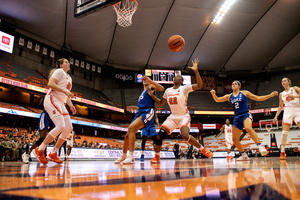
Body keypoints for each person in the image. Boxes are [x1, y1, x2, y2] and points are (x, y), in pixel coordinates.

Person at [148, 58, 213, 164]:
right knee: (159, 136)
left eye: (178, 77)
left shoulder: (184, 88)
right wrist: (151, 96)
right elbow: (160, 103)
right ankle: (157, 157)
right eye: (175, 77)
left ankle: (203, 150)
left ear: (181, 81)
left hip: (184, 116)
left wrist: (196, 71)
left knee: (185, 135)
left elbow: (200, 86)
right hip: (173, 117)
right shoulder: (168, 90)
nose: (175, 78)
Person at [210, 80, 278, 161]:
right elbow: (217, 100)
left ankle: (260, 147)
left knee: (248, 128)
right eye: (232, 84)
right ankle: (244, 155)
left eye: (235, 84)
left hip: (246, 114)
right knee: (235, 139)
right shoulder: (229, 96)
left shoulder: (244, 93)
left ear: (239, 86)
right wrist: (214, 94)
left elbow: (258, 98)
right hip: (237, 117)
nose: (233, 85)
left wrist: (270, 95)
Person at [33, 58, 76, 164]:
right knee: (60, 125)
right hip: (52, 98)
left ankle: (53, 153)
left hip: (61, 102)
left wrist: (71, 105)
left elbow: (66, 95)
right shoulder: (59, 71)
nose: (68, 64)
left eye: (68, 62)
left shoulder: (69, 77)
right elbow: (50, 84)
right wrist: (66, 91)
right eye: (66, 62)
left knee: (68, 128)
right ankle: (39, 149)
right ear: (60, 65)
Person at [114, 76, 164, 164]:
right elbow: (144, 104)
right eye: (143, 80)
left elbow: (161, 88)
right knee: (127, 135)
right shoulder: (143, 92)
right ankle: (124, 155)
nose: (144, 81)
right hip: (141, 111)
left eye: (146, 79)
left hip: (148, 112)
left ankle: (131, 156)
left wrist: (151, 81)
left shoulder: (150, 87)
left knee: (132, 129)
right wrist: (136, 107)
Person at [273, 77, 300, 160]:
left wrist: (294, 96)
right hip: (288, 110)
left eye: (285, 81)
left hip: (297, 109)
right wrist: (276, 116)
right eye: (282, 81)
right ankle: (282, 152)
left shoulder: (294, 88)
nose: (283, 82)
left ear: (289, 82)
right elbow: (280, 106)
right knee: (284, 133)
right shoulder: (282, 94)